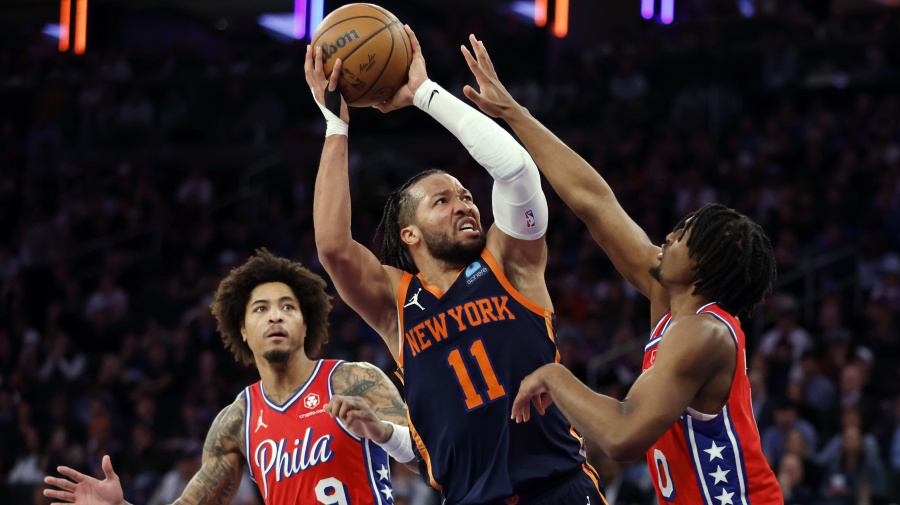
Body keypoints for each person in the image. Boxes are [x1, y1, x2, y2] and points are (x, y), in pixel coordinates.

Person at [453, 35, 782, 504]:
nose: (666, 237)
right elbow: (594, 202)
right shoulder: (669, 301)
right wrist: (513, 113)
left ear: (706, 265)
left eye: (683, 235)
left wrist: (552, 374)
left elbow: (624, 436)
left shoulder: (705, 333)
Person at [307, 26, 605, 505]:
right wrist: (335, 125)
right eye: (441, 201)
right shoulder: (396, 304)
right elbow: (333, 248)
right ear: (409, 234)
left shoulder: (511, 262)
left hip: (558, 489)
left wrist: (424, 95)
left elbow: (516, 171)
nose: (464, 205)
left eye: (466, 196)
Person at [44, 249, 414, 505]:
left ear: (306, 323)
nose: (275, 316)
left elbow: (430, 458)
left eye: (288, 307)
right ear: (242, 329)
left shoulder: (352, 380)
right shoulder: (236, 422)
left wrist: (382, 433)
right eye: (261, 309)